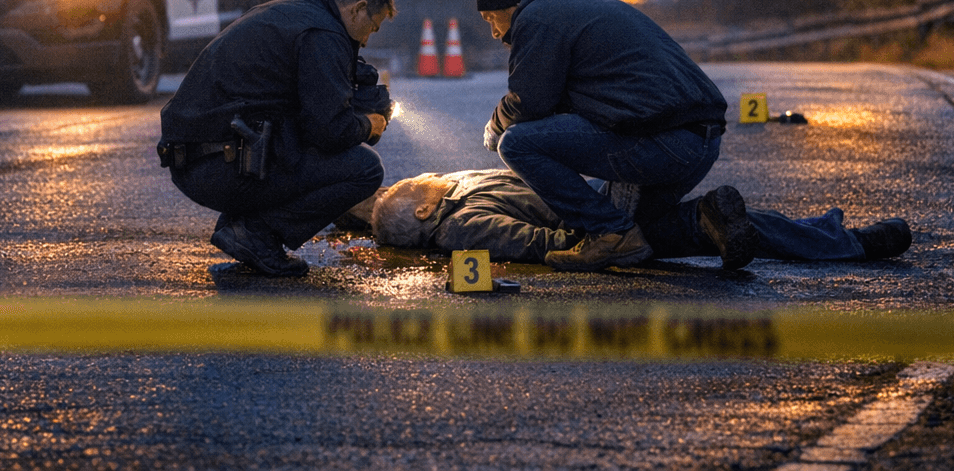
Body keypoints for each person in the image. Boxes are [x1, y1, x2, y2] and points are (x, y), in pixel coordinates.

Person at [475, 0, 729, 271]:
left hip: (664, 142)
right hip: (700, 142)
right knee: (633, 230)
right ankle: (714, 219)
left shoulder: (538, 16)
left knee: (516, 144)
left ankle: (611, 233)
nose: (492, 32)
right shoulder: (591, 8)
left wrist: (495, 124)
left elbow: (529, 103)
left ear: (514, 5)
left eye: (491, 18)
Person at [159, 0, 394, 276]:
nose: (366, 41)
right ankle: (255, 233)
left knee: (300, 144)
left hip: (198, 159)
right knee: (364, 169)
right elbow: (329, 131)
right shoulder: (322, 34)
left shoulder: (294, 14)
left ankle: (244, 223)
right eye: (372, 28)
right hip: (217, 165)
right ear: (358, 9)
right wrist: (370, 124)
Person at [363, 169, 913, 266]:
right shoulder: (459, 223)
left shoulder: (453, 195)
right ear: (424, 208)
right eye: (416, 184)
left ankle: (837, 235)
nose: (425, 175)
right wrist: (600, 236)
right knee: (708, 224)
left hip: (601, 207)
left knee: (720, 222)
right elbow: (532, 241)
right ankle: (846, 241)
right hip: (603, 222)